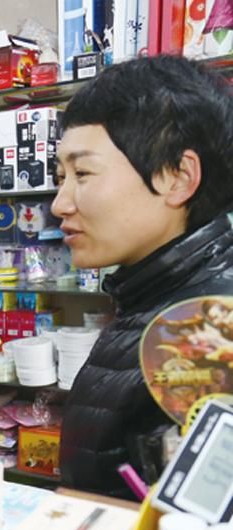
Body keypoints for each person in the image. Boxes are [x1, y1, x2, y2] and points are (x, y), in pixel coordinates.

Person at [52, 55, 233, 494]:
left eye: (83, 173)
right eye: (62, 176)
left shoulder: (207, 331)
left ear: (177, 177)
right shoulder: (157, 296)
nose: (60, 203)